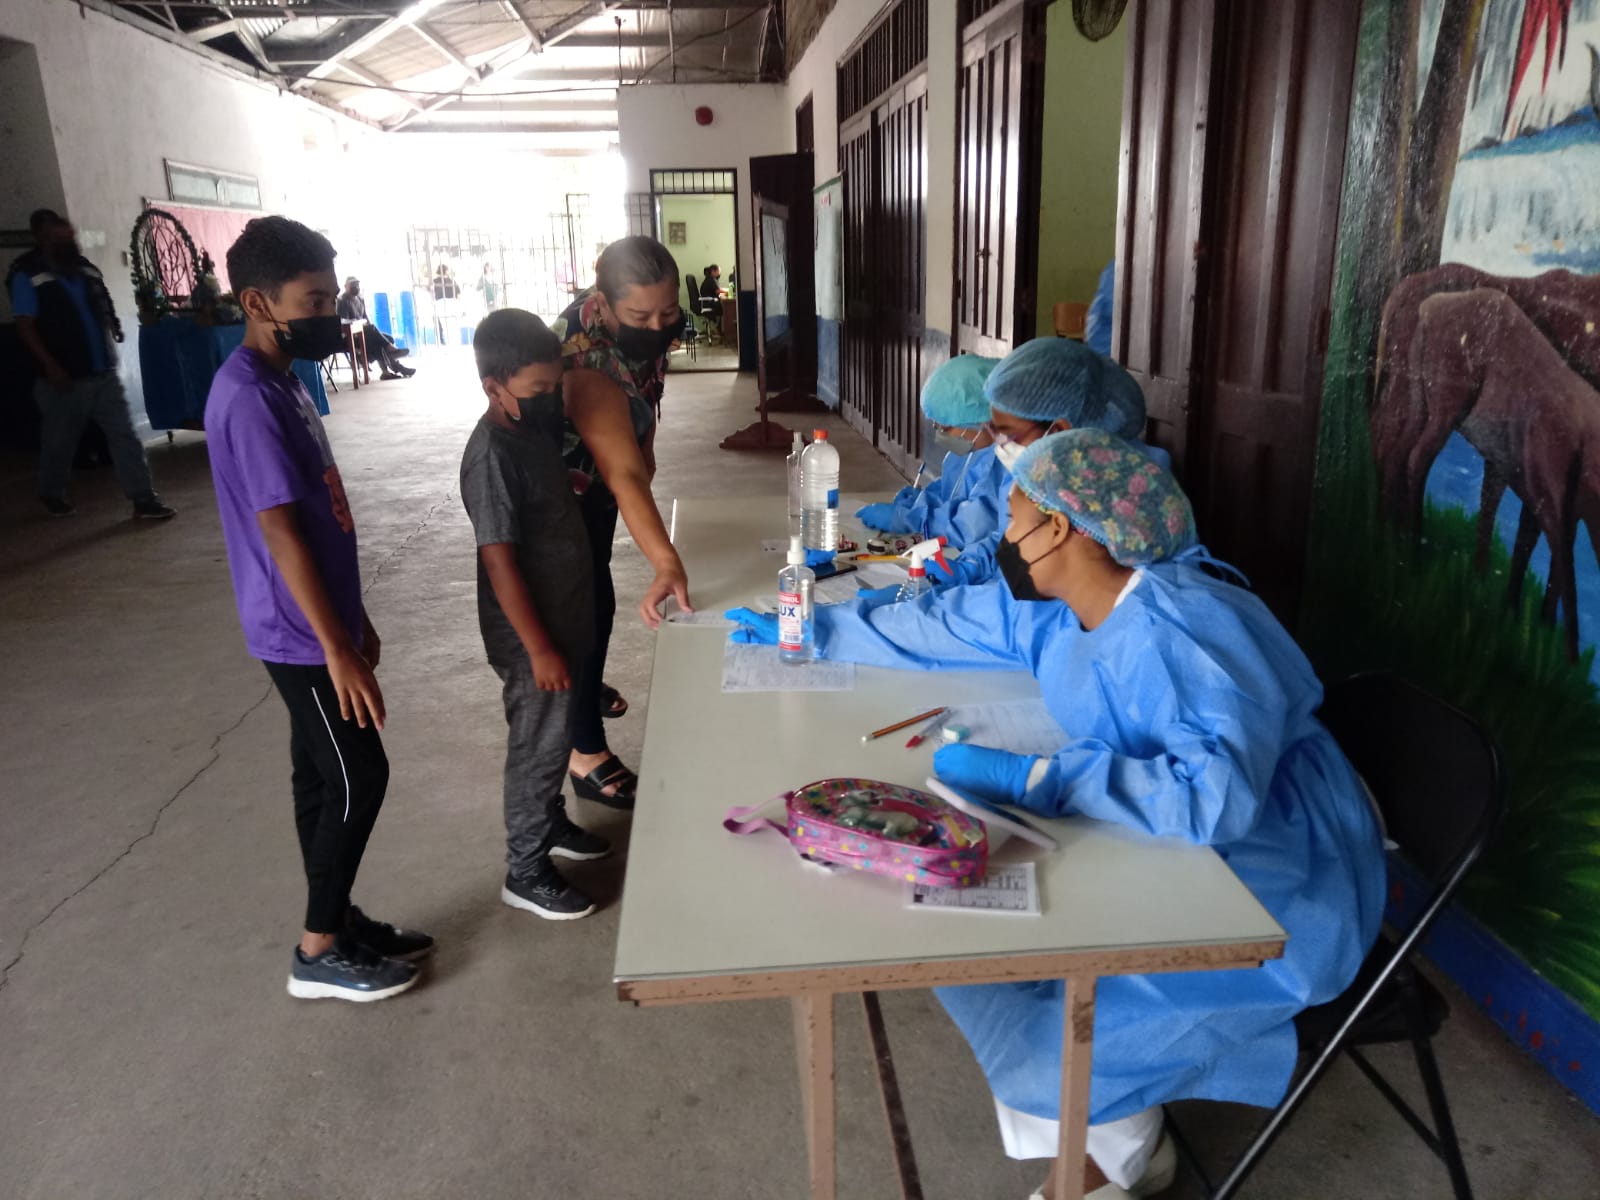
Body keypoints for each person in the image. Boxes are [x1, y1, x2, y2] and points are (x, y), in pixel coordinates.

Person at [728, 429, 1385, 1198]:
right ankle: (1124, 1143)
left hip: (1281, 878)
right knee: (957, 940)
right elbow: (951, 625)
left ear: (1064, 528)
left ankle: (1106, 1161)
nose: (1003, 539)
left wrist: (1044, 778)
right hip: (1152, 840)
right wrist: (819, 629)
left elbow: (1215, 799)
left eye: (1014, 518)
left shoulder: (1193, 630)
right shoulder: (1062, 605)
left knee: (1051, 1047)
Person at [209, 215, 432, 1002]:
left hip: (320, 619)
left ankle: (335, 917)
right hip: (297, 630)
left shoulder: (283, 380)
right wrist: (334, 644)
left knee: (318, 774)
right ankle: (317, 950)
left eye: (332, 297)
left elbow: (318, 513)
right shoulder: (248, 397)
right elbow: (280, 531)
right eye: (312, 300)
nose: (329, 314)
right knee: (358, 776)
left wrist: (355, 615)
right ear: (257, 303)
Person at [460, 310, 611, 920]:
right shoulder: (491, 455)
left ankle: (550, 824)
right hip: (531, 636)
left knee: (555, 737)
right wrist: (541, 649)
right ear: (494, 387)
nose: (551, 399)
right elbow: (499, 561)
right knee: (538, 749)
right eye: (538, 389)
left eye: (556, 386)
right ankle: (524, 870)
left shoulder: (531, 432)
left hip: (562, 619)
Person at [554, 236, 683, 807]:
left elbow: (645, 390)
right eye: (640, 317)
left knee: (595, 596)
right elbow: (623, 473)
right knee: (583, 609)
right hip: (558, 496)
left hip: (597, 485)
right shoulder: (586, 359)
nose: (657, 326)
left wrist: (646, 446)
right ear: (603, 304)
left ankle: (582, 685)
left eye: (668, 312)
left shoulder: (641, 326)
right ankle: (583, 751)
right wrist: (665, 560)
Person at [7, 209, 175, 520]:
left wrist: (113, 325)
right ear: (43, 239)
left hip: (103, 373)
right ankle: (51, 491)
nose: (68, 240)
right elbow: (25, 326)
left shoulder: (84, 269)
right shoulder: (27, 275)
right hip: (63, 378)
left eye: (69, 234)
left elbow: (102, 299)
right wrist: (50, 365)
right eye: (59, 236)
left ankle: (143, 498)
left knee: (124, 434)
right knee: (60, 441)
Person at [853, 354, 1005, 547]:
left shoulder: (1006, 466)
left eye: (944, 427)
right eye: (935, 425)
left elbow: (974, 526)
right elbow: (951, 495)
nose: (940, 433)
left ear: (981, 420)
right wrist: (921, 501)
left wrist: (911, 519)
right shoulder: (967, 453)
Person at [335, 277, 414, 379]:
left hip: (364, 333)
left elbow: (365, 317)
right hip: (351, 336)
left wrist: (368, 327)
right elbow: (344, 322)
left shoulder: (360, 299)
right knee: (375, 339)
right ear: (346, 286)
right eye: (353, 285)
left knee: (387, 338)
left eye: (357, 285)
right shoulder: (342, 300)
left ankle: (387, 369)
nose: (356, 287)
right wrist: (362, 325)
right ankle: (393, 363)